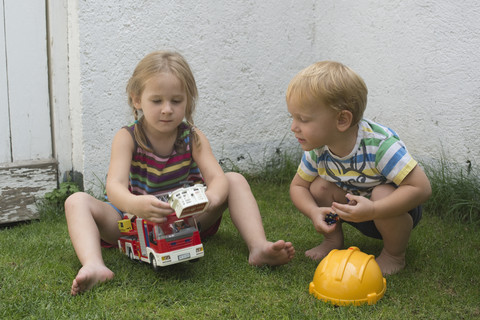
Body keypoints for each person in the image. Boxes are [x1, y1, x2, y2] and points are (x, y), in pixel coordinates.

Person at [65, 50, 295, 296]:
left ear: (188, 100)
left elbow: (216, 178)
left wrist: (211, 200)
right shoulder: (127, 137)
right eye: (157, 101)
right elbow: (115, 186)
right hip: (135, 223)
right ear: (137, 100)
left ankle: (258, 246)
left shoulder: (192, 137)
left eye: (176, 101)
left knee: (234, 180)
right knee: (76, 200)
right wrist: (135, 204)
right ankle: (94, 265)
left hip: (188, 219)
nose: (167, 109)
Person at [286, 61, 431, 275]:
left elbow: (421, 188)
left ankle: (393, 255)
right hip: (354, 206)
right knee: (319, 187)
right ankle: (332, 240)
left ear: (342, 120)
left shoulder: (380, 145)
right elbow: (298, 187)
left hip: (392, 210)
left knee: (381, 192)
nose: (293, 127)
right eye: (293, 117)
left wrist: (373, 209)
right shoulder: (318, 149)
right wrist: (314, 211)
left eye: (303, 119)